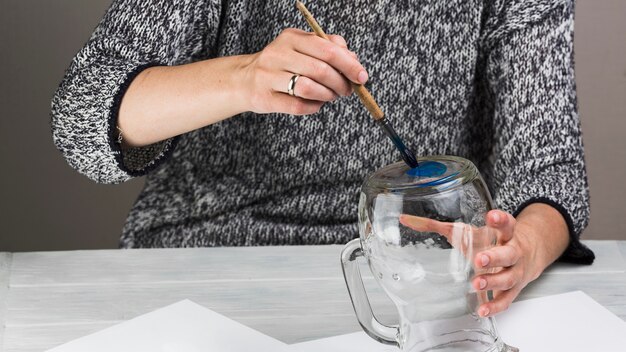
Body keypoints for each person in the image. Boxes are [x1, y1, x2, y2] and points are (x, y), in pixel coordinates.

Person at [51, 0, 595, 318]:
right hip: (210, 264)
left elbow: (549, 165)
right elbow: (82, 119)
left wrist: (525, 247)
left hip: (426, 284)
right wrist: (243, 78)